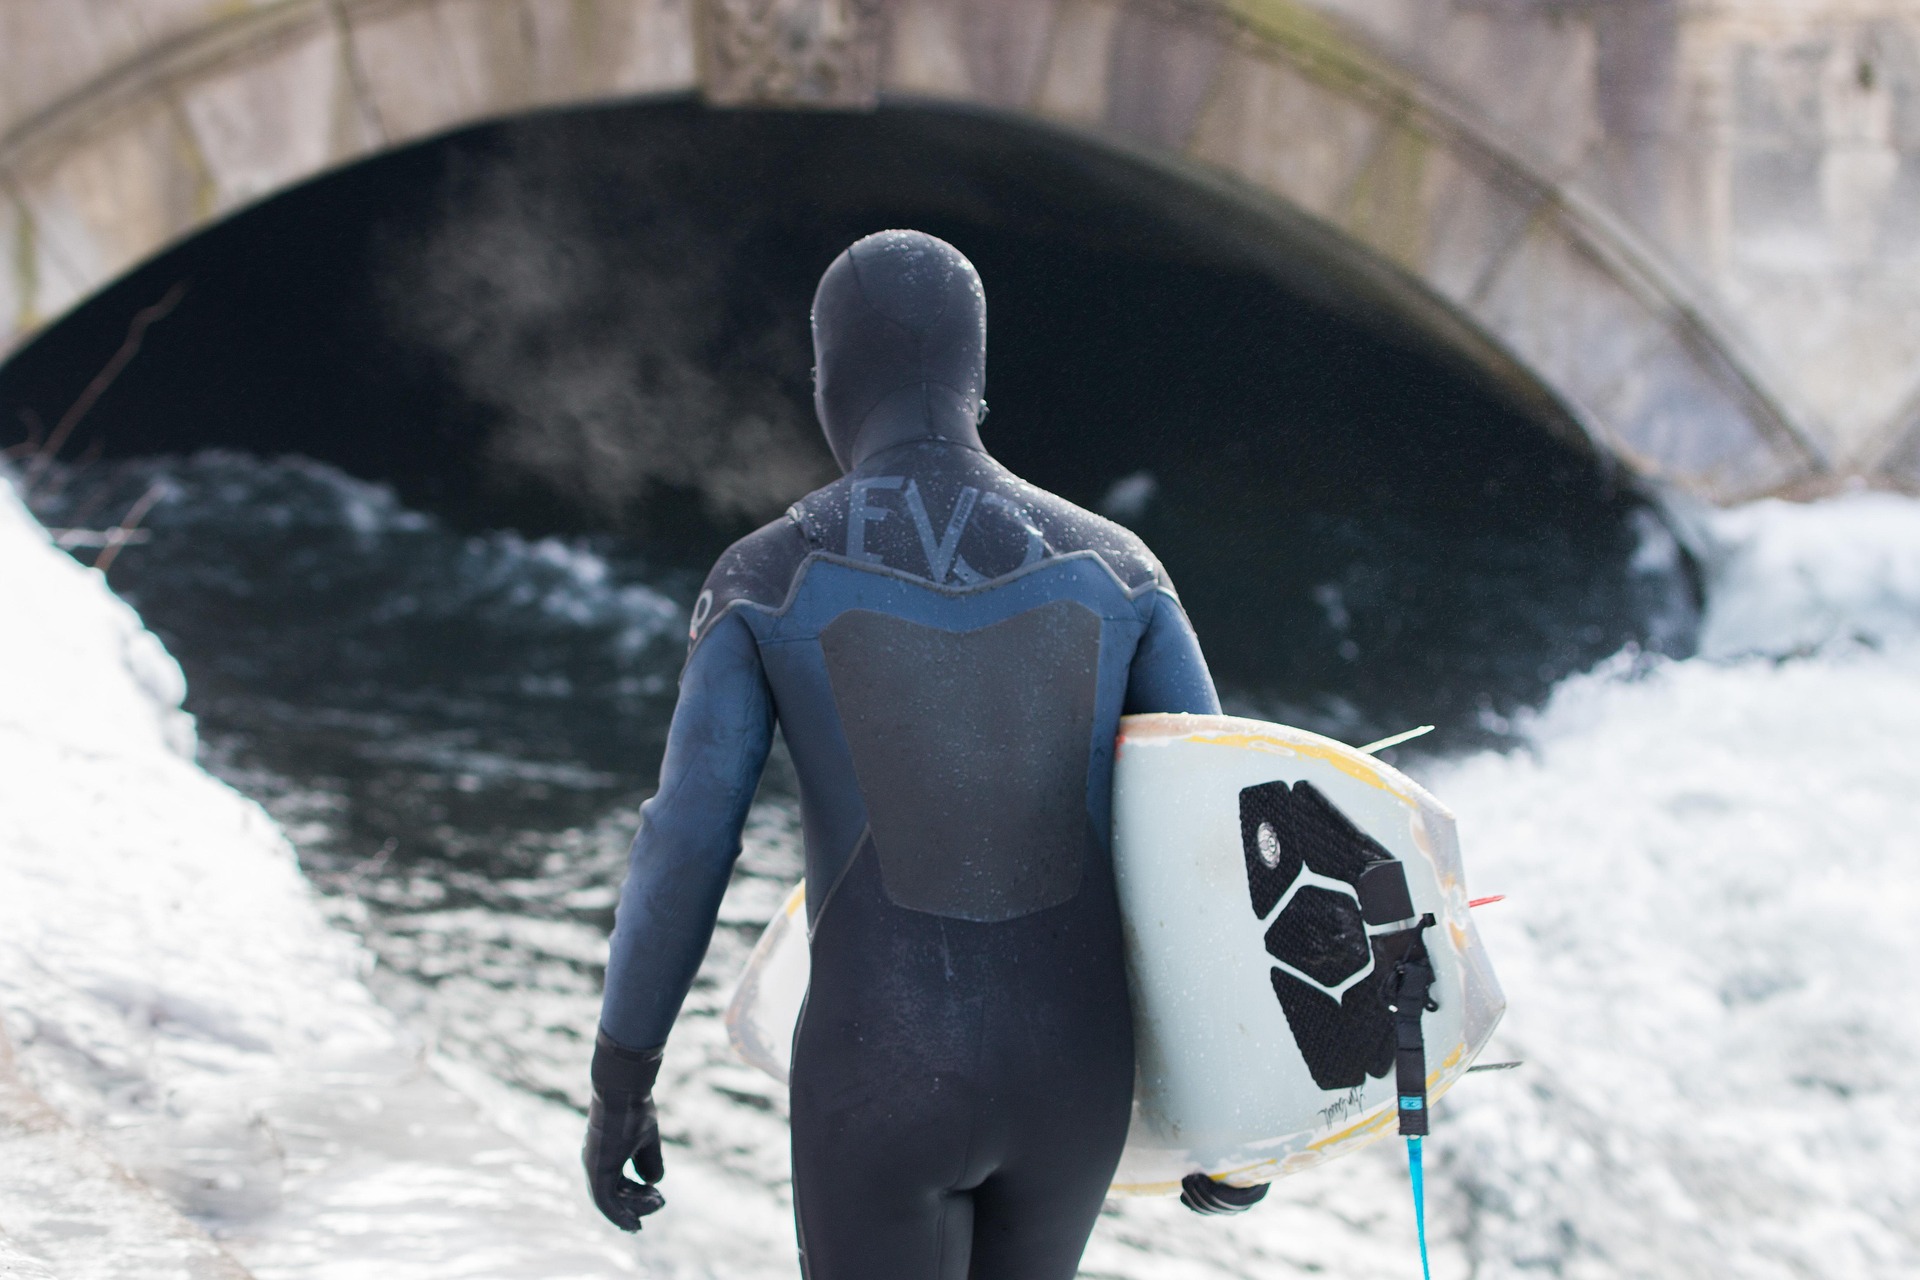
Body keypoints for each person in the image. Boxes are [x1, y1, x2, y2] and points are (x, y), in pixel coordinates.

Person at [584, 229, 1259, 1279]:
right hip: (1073, 1081)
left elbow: (687, 841)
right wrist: (1241, 1109)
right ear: (972, 380)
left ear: (831, 377)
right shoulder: (1124, 570)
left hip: (880, 1077)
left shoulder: (767, 574)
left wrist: (622, 1076)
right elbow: (1214, 845)